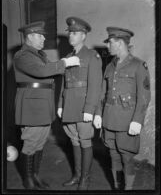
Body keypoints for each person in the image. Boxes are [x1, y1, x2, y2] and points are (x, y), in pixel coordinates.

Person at [13, 21, 80, 190]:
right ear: (29, 36)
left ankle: (35, 175)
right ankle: (28, 180)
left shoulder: (39, 55)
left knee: (40, 143)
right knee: (30, 143)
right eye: (40, 35)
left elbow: (48, 72)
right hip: (32, 106)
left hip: (42, 105)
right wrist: (65, 62)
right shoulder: (22, 55)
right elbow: (42, 72)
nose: (44, 38)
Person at [93, 27, 151, 190]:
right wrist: (98, 114)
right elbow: (102, 93)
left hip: (127, 121)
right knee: (113, 156)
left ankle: (128, 189)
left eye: (110, 43)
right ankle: (117, 188)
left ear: (119, 43)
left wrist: (137, 121)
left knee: (127, 158)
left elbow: (145, 96)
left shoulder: (139, 65)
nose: (108, 46)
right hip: (109, 119)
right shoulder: (109, 67)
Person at [57, 17, 102, 190]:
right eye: (70, 33)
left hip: (84, 107)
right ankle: (76, 175)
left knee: (85, 141)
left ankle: (85, 178)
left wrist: (90, 109)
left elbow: (95, 85)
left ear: (83, 36)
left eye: (75, 33)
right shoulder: (68, 57)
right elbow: (64, 83)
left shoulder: (92, 56)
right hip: (69, 106)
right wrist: (61, 104)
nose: (71, 36)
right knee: (74, 141)